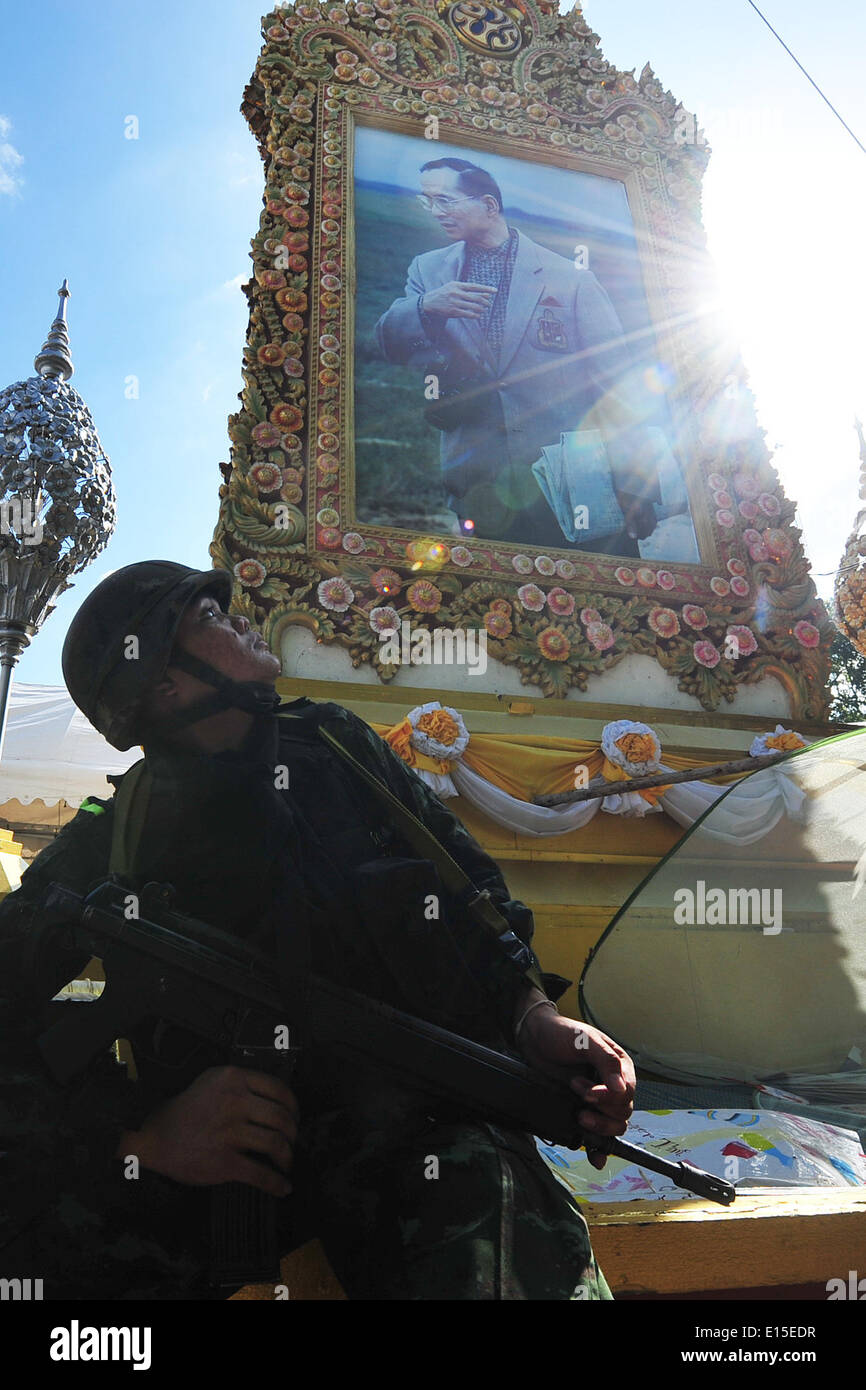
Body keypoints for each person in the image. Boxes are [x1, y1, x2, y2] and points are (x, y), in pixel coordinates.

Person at [0, 561, 635, 1300]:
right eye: (205, 615)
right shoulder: (112, 840)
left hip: (420, 1134)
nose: (237, 615)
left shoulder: (336, 746)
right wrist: (139, 1137)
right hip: (238, 1174)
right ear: (164, 683)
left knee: (481, 1203)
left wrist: (533, 1017)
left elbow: (471, 894)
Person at [374, 156, 661, 553]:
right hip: (479, 483)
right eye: (428, 202)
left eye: (445, 200)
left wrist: (635, 483)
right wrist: (426, 307)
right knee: (494, 604)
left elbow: (619, 387)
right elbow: (390, 345)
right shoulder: (428, 271)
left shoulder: (570, 279)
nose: (436, 212)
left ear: (489, 206)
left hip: (571, 479)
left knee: (588, 597)